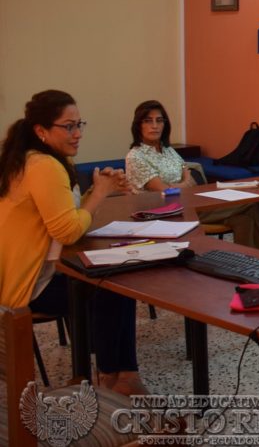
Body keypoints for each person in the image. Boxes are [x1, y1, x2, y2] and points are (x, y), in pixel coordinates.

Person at [0, 90, 147, 395]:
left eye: (80, 124)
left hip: (21, 275)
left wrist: (97, 186)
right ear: (41, 130)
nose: (77, 133)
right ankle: (113, 378)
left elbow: (62, 213)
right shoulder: (44, 166)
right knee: (112, 285)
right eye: (68, 126)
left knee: (112, 280)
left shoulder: (29, 159)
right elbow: (68, 231)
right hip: (23, 288)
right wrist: (99, 194)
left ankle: (120, 375)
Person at [125, 100, 259, 249]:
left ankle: (255, 264)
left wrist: (178, 185)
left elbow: (187, 173)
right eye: (148, 121)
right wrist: (184, 183)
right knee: (248, 203)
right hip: (166, 213)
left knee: (244, 218)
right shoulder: (136, 157)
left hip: (188, 203)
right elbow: (165, 192)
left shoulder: (167, 150)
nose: (155, 126)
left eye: (159, 121)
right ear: (138, 125)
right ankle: (258, 263)